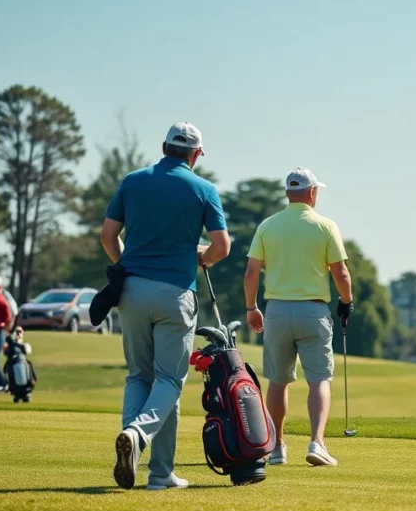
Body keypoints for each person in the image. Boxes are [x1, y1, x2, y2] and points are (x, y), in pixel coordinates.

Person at [101, 122, 231, 490]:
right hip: (175, 295)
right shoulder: (203, 189)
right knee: (170, 380)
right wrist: (204, 258)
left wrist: (126, 263)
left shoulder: (132, 180)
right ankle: (137, 436)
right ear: (197, 154)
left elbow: (109, 236)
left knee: (141, 378)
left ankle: (160, 473)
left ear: (163, 147)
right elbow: (222, 247)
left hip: (132, 291)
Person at [243, 168, 353, 468]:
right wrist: (347, 301)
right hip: (313, 312)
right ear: (312, 192)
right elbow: (340, 274)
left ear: (287, 192)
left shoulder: (268, 225)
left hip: (277, 311)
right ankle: (317, 442)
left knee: (278, 382)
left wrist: (251, 307)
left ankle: (277, 446)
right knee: (319, 380)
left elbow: (252, 272)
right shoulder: (325, 226)